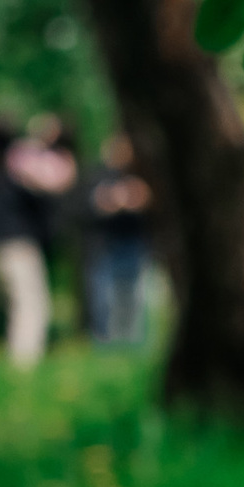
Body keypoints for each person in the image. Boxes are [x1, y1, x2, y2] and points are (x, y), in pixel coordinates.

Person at [0, 113, 78, 368]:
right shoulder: (20, 169)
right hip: (16, 246)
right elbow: (48, 193)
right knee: (30, 303)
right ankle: (24, 361)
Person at [81, 131, 157, 347]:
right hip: (107, 245)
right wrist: (117, 200)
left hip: (134, 244)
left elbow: (147, 199)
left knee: (134, 298)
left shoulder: (141, 174)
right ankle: (106, 345)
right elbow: (95, 202)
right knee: (105, 299)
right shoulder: (100, 175)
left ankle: (131, 345)